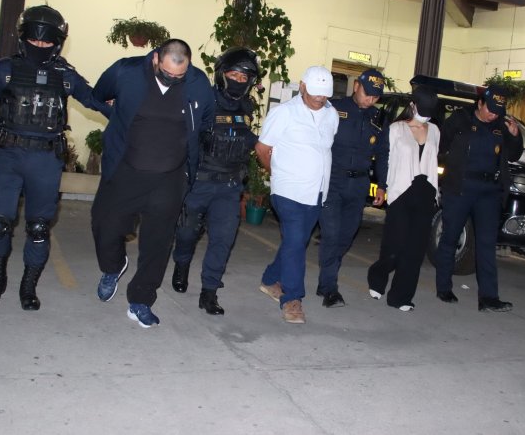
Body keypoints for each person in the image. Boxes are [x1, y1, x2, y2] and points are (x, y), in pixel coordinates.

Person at [0, 5, 111, 311]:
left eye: (46, 42)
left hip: (45, 160)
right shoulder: (5, 69)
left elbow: (95, 101)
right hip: (9, 156)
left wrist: (134, 112)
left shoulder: (66, 76)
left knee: (39, 228)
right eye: (34, 41)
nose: (39, 47)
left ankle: (28, 287)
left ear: (57, 43)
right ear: (22, 38)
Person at [91, 38, 214, 329]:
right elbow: (98, 94)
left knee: (158, 243)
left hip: (170, 176)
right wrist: (118, 115)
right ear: (156, 58)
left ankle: (141, 300)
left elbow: (205, 122)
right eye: (167, 73)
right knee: (104, 225)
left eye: (179, 76)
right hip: (125, 169)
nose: (172, 80)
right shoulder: (126, 71)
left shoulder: (198, 84)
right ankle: (113, 267)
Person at [170, 47, 260, 315]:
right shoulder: (203, 99)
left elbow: (246, 138)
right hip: (199, 182)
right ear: (222, 73)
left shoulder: (248, 108)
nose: (238, 81)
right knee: (186, 234)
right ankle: (182, 264)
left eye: (245, 78)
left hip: (230, 186)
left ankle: (209, 293)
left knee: (223, 239)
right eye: (234, 74)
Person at [255, 66, 339, 324]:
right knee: (294, 241)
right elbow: (262, 148)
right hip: (288, 190)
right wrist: (277, 174)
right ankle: (292, 299)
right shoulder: (284, 114)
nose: (320, 99)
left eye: (324, 95)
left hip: (316, 193)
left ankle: (271, 279)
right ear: (302, 86)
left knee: (296, 242)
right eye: (315, 94)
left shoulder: (332, 114)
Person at [434, 84, 523, 312]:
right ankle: (443, 287)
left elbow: (514, 155)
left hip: (488, 191)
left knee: (486, 244)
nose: (493, 114)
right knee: (450, 237)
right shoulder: (460, 120)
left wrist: (515, 136)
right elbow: (440, 145)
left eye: (498, 111)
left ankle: (488, 298)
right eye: (490, 108)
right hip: (460, 187)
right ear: (480, 103)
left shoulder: (500, 126)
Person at [316, 69, 389, 308]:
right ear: (356, 85)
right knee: (332, 234)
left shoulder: (378, 117)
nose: (370, 100)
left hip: (359, 184)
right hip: (333, 180)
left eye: (376, 97)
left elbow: (382, 153)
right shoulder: (333, 108)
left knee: (347, 235)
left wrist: (381, 185)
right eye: (367, 94)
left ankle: (325, 278)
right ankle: (329, 288)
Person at [367, 84, 440, 311]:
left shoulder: (435, 131)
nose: (425, 115)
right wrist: (382, 187)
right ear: (412, 105)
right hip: (401, 191)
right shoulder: (396, 129)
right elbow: (386, 160)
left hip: (425, 191)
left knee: (415, 250)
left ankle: (400, 296)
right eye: (422, 109)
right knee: (395, 246)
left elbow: (433, 161)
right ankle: (377, 276)